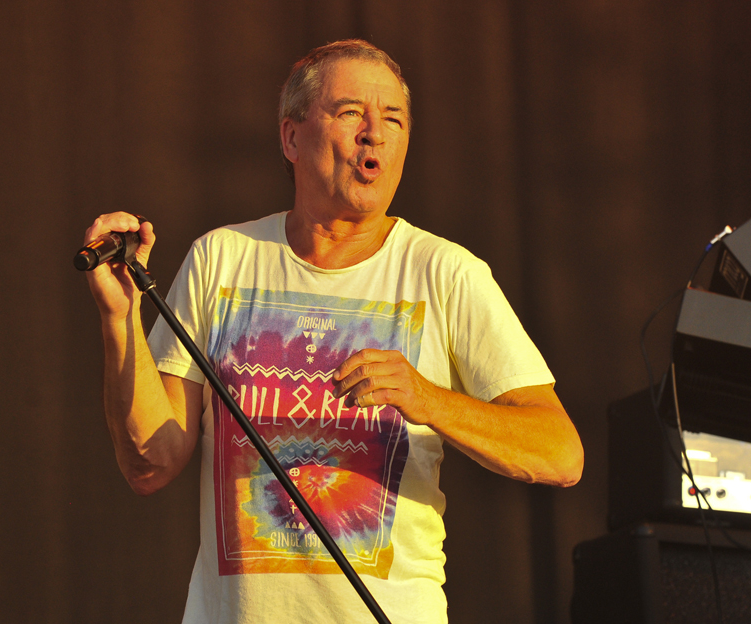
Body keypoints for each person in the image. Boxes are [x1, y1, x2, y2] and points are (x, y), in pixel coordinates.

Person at [84, 39, 583, 624]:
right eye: (351, 113)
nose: (374, 133)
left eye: (392, 119)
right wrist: (120, 320)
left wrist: (426, 399)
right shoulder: (223, 259)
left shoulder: (446, 273)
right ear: (291, 138)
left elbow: (559, 452)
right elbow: (151, 462)